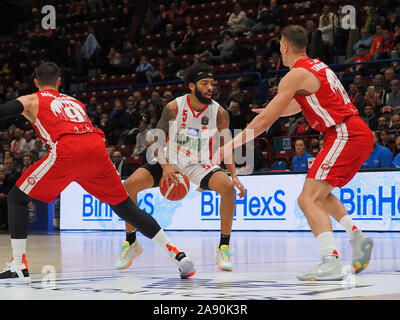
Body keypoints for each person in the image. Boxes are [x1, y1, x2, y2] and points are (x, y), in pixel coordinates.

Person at [0, 62, 195, 282]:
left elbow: (4, 112)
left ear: (36, 83)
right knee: (125, 207)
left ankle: (18, 265)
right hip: (96, 148)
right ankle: (178, 255)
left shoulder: (31, 99)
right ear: (59, 82)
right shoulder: (74, 101)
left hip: (67, 149)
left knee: (16, 197)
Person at [214, 25, 374, 281]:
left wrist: (228, 145)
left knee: (307, 199)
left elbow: (264, 124)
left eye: (279, 47)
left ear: (285, 47)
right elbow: (298, 105)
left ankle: (330, 260)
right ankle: (357, 237)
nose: (280, 52)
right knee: (320, 194)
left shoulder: (294, 75)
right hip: (354, 132)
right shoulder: (318, 66)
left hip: (344, 133)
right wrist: (271, 110)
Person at [115, 63, 246, 272]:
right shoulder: (174, 107)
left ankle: (224, 248)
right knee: (129, 186)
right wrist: (166, 166)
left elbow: (227, 146)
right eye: (205, 83)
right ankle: (131, 243)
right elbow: (156, 141)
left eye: (211, 83)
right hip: (171, 159)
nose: (210, 87)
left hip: (199, 163)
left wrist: (234, 176)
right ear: (192, 86)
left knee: (228, 188)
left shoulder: (220, 113)